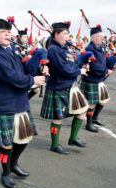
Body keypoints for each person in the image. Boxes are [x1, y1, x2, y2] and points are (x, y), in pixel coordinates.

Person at [0, 19, 45, 188]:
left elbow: (24, 69)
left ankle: (13, 163)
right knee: (6, 143)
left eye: (9, 32)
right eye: (3, 32)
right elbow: (10, 76)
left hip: (19, 101)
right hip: (3, 103)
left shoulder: (11, 50)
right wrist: (32, 80)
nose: (7, 35)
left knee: (24, 137)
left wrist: (39, 60)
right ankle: (5, 172)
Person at [40, 22, 88, 155]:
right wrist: (79, 71)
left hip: (69, 86)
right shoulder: (54, 50)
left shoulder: (64, 48)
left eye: (67, 33)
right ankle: (54, 145)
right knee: (58, 118)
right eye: (64, 34)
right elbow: (64, 69)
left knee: (82, 112)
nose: (67, 36)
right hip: (58, 87)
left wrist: (83, 63)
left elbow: (72, 63)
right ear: (56, 34)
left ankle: (73, 138)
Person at [80, 25, 115, 132]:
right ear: (93, 38)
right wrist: (106, 71)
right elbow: (95, 66)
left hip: (99, 80)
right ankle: (89, 124)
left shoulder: (100, 48)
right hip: (91, 80)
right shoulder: (90, 49)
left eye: (102, 37)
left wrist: (111, 65)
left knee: (103, 101)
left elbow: (104, 61)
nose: (102, 39)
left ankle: (95, 118)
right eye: (99, 37)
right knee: (92, 103)